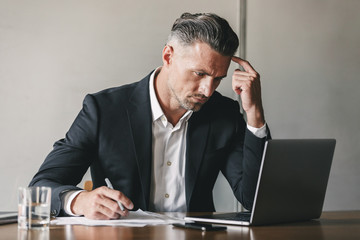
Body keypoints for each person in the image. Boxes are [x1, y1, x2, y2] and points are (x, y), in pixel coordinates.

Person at [29, 12, 270, 220]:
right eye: (199, 73)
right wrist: (79, 201)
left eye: (218, 78)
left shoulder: (223, 114)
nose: (208, 90)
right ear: (168, 56)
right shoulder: (103, 110)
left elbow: (253, 198)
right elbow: (38, 190)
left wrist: (254, 115)